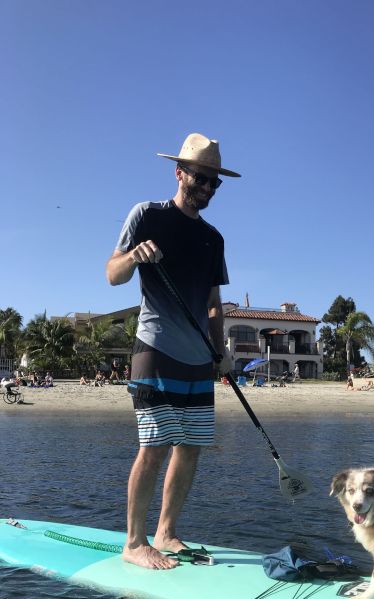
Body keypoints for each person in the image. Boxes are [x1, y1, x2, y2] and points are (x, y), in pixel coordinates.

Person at [105, 132, 239, 570]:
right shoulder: (146, 215)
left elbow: (215, 303)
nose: (207, 188)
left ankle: (166, 532)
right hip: (157, 349)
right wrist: (135, 257)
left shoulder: (213, 238)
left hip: (200, 358)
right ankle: (133, 542)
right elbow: (112, 274)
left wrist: (222, 353)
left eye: (214, 183)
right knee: (155, 445)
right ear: (179, 172)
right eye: (201, 178)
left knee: (192, 446)